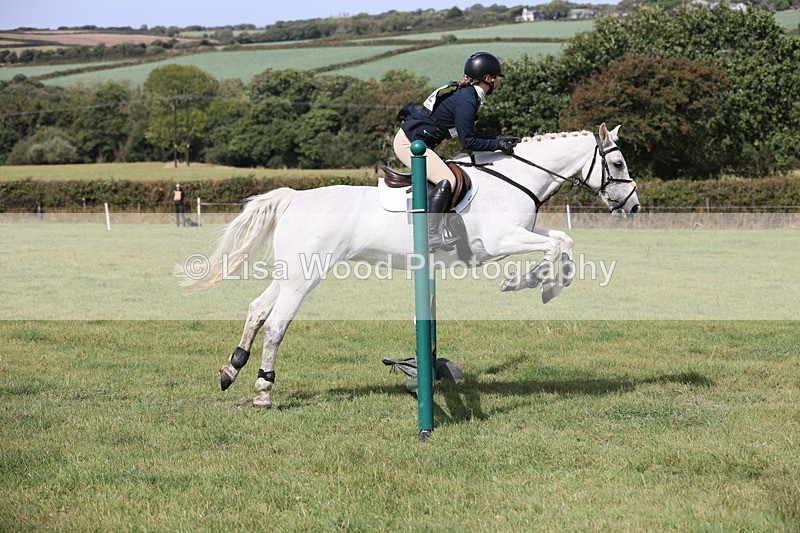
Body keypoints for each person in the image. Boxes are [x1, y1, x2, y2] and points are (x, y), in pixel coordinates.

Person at [394, 52, 518, 251]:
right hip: (408, 144)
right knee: (448, 180)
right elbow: (468, 141)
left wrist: (498, 139)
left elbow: (470, 134)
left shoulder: (468, 95)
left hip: (419, 143)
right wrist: (498, 145)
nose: (497, 83)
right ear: (488, 79)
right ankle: (430, 235)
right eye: (496, 78)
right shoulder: (467, 100)